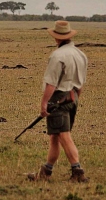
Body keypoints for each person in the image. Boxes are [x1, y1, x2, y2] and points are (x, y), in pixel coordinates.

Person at [27, 20, 90, 183]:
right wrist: (75, 99)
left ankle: (78, 171)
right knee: (55, 136)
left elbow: (51, 83)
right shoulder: (80, 54)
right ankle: (46, 172)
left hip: (58, 99)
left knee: (63, 135)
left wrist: (44, 103)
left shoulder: (57, 56)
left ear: (56, 38)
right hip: (73, 97)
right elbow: (81, 84)